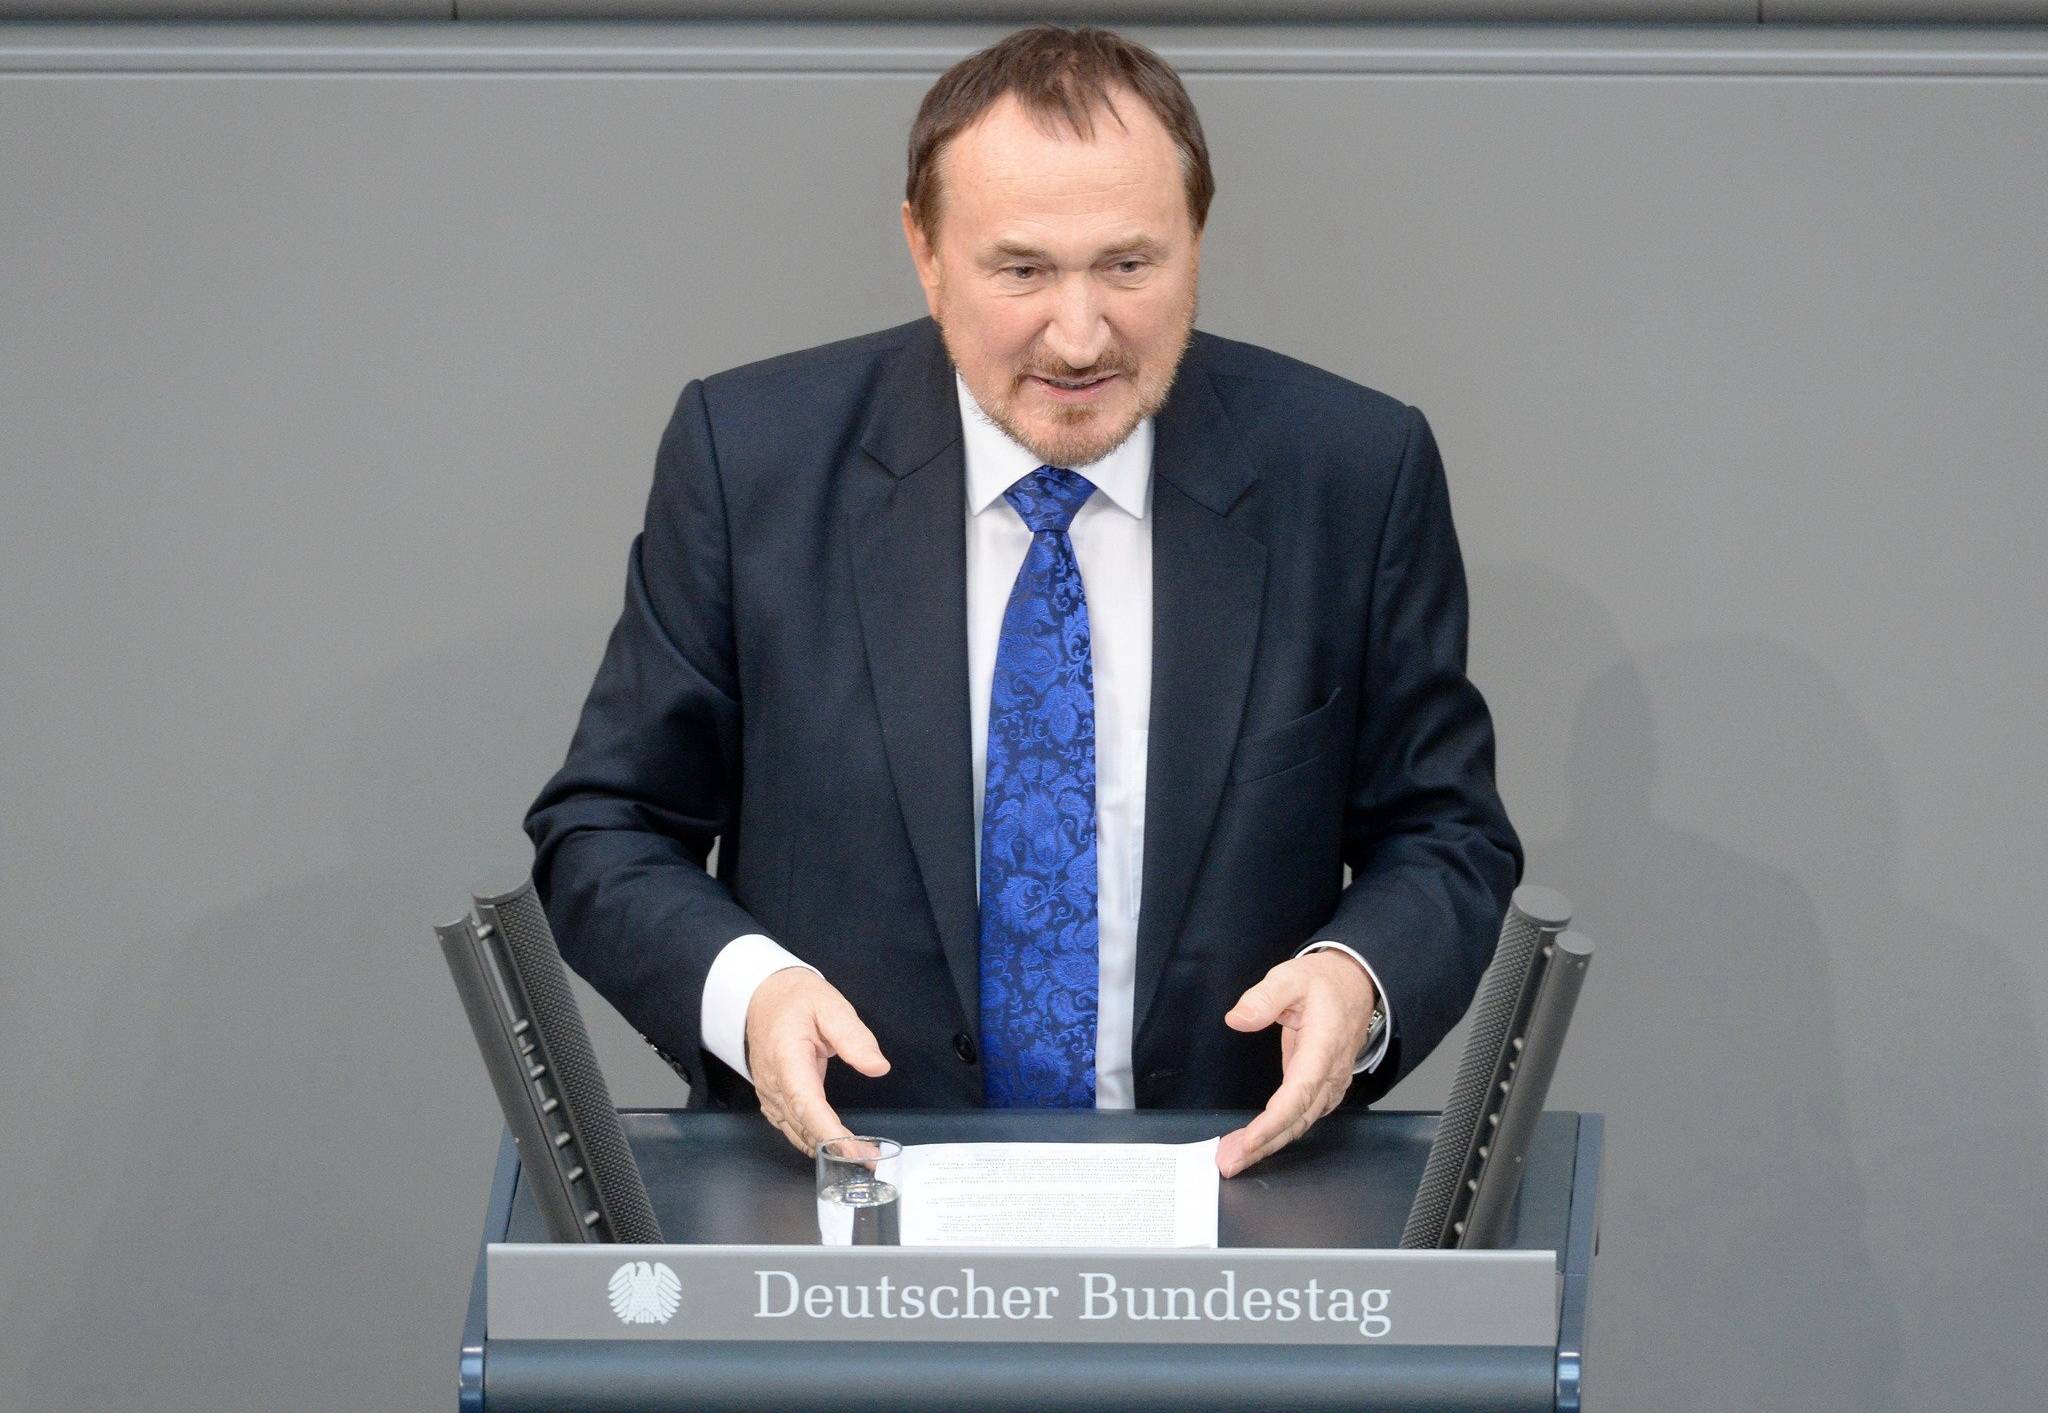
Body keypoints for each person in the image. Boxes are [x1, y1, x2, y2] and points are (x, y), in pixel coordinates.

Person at [523, 24, 1520, 1179]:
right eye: (1022, 271)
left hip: (1227, 1197)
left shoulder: (1350, 471)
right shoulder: (750, 462)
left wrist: (1357, 977)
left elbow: (1442, 833)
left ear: (1196, 238)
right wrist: (749, 994)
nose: (1080, 336)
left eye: (1128, 266)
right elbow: (605, 829)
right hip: (840, 1195)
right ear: (923, 250)